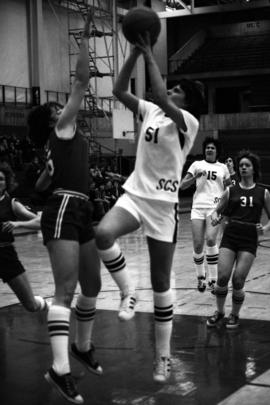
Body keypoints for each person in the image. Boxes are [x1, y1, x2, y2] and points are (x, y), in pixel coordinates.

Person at [95, 32, 205, 383]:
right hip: (136, 194)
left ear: (187, 99)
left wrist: (148, 53)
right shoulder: (152, 110)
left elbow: (157, 91)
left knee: (161, 284)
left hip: (163, 207)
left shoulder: (188, 122)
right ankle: (128, 291)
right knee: (103, 233)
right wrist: (132, 53)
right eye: (170, 89)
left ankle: (163, 357)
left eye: (177, 90)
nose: (170, 91)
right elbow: (118, 91)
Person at [27, 10, 102, 405]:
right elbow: (82, 81)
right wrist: (84, 40)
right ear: (54, 120)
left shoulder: (59, 139)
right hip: (65, 209)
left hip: (80, 208)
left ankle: (81, 346)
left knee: (93, 286)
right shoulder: (63, 127)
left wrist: (45, 180)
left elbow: (43, 180)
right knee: (66, 290)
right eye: (57, 108)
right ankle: (59, 370)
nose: (63, 107)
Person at [207, 150, 270, 329]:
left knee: (238, 280)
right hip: (230, 236)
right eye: (241, 165)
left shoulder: (263, 192)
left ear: (253, 169)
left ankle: (234, 314)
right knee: (223, 277)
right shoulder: (230, 190)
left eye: (247, 165)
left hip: (249, 239)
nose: (243, 168)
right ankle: (219, 312)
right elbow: (216, 210)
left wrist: (264, 228)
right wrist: (214, 217)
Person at [180, 137, 231, 294]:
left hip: (214, 208)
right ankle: (201, 277)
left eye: (212, 148)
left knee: (210, 239)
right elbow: (182, 186)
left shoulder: (222, 167)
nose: (209, 149)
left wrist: (226, 210)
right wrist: (196, 177)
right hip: (197, 208)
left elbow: (230, 190)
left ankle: (213, 280)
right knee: (197, 245)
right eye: (207, 147)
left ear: (217, 151)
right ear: (204, 150)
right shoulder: (196, 165)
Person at [0, 162, 47, 312]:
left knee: (31, 305)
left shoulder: (12, 203)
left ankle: (46, 306)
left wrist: (18, 224)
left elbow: (40, 222)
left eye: (1, 179)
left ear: (6, 183)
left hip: (6, 256)